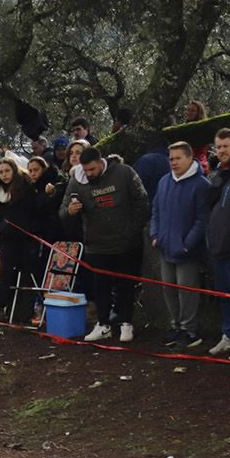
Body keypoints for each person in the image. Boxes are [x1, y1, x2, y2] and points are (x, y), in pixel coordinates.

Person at [60, 146, 150, 343]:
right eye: (86, 170)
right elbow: (63, 211)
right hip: (96, 244)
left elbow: (142, 201)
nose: (89, 174)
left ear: (101, 163)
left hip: (126, 242)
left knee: (125, 284)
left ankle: (127, 323)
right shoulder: (78, 180)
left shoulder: (124, 172)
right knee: (100, 286)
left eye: (92, 169)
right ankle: (103, 324)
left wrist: (132, 230)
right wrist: (71, 211)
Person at [149, 142, 210, 349]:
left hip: (187, 252)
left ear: (189, 158)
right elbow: (155, 210)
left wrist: (187, 244)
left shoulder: (201, 184)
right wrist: (155, 235)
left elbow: (202, 219)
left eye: (177, 158)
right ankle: (175, 327)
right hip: (165, 248)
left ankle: (189, 331)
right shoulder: (164, 181)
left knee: (187, 292)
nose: (173, 162)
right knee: (169, 290)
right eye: (171, 158)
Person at [206, 128, 230, 361]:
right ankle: (229, 334)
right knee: (224, 294)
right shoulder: (221, 173)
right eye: (218, 147)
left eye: (225, 146)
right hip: (218, 245)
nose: (221, 151)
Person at [0, 158, 41, 322]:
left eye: (7, 171)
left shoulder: (26, 189)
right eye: (1, 172)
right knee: (5, 274)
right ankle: (0, 306)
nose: (4, 175)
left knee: (28, 274)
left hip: (26, 240)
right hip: (8, 241)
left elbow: (30, 214)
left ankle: (26, 310)